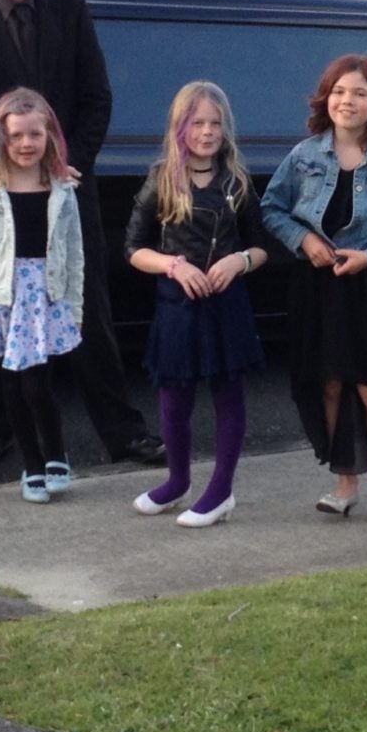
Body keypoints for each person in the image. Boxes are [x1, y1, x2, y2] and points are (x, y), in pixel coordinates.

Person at [0, 0, 162, 474]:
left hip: (66, 192)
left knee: (87, 310)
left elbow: (97, 99)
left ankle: (122, 432)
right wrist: (9, 169)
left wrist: (64, 167)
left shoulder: (71, 13)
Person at [261, 53, 367, 516]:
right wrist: (304, 239)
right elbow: (271, 210)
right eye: (338, 91)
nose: (347, 101)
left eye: (358, 92)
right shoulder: (305, 155)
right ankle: (345, 483)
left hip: (366, 288)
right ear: (325, 98)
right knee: (329, 385)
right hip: (317, 290)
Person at [123, 81, 268, 528]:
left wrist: (239, 261)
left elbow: (262, 247)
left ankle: (221, 491)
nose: (207, 132)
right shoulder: (161, 179)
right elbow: (132, 248)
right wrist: (172, 266)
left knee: (228, 395)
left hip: (226, 308)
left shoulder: (236, 181)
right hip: (177, 308)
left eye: (215, 124)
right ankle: (177, 481)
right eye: (197, 123)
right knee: (173, 399)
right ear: (179, 127)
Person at [0, 90, 86, 503]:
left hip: (44, 296)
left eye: (35, 134)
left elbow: (75, 251)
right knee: (10, 385)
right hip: (4, 297)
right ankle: (30, 465)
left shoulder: (62, 188)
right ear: (2, 138)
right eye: (16, 136)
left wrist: (76, 306)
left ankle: (54, 453)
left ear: (49, 135)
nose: (26, 144)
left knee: (38, 384)